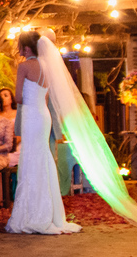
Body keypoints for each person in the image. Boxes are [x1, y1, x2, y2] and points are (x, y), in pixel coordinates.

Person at [5, 31, 82, 235]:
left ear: (27, 48)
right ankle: (49, 212)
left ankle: (33, 213)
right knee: (43, 158)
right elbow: (47, 96)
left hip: (31, 115)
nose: (18, 50)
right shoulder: (48, 67)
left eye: (20, 46)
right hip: (43, 114)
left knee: (31, 159)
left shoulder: (24, 66)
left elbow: (19, 97)